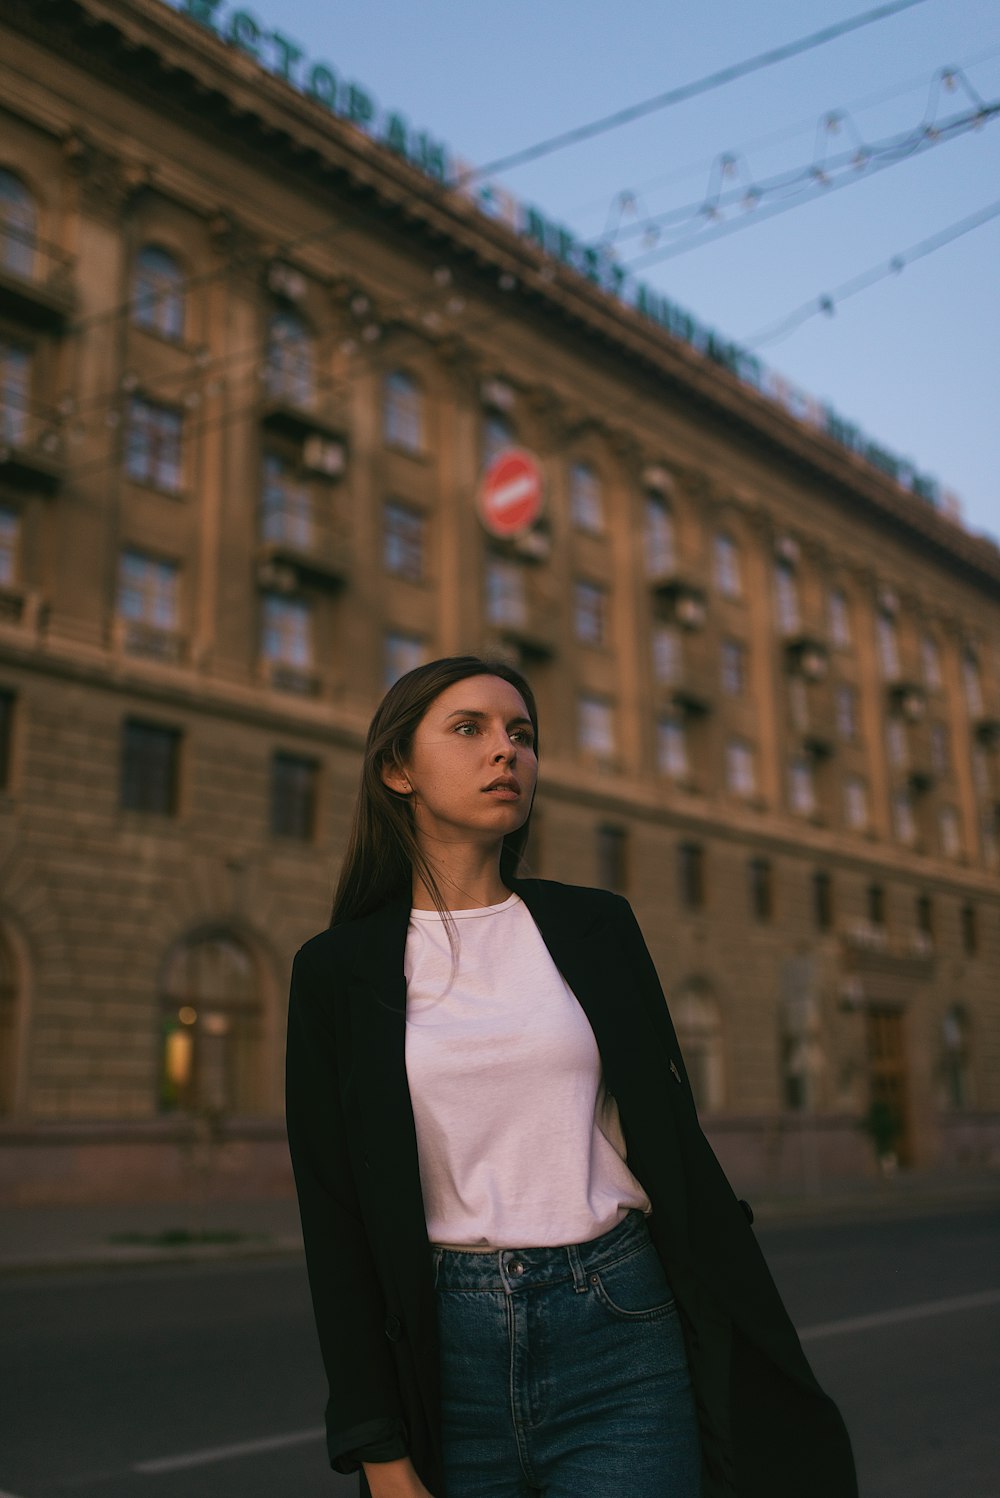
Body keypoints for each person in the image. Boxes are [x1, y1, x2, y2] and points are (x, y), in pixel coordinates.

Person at [286, 654, 857, 1498]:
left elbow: (671, 1136)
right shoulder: (338, 971)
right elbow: (335, 1221)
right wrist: (377, 1445)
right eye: (469, 729)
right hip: (449, 1354)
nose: (505, 752)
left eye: (522, 734)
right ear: (398, 770)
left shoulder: (597, 928)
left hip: (621, 1333)